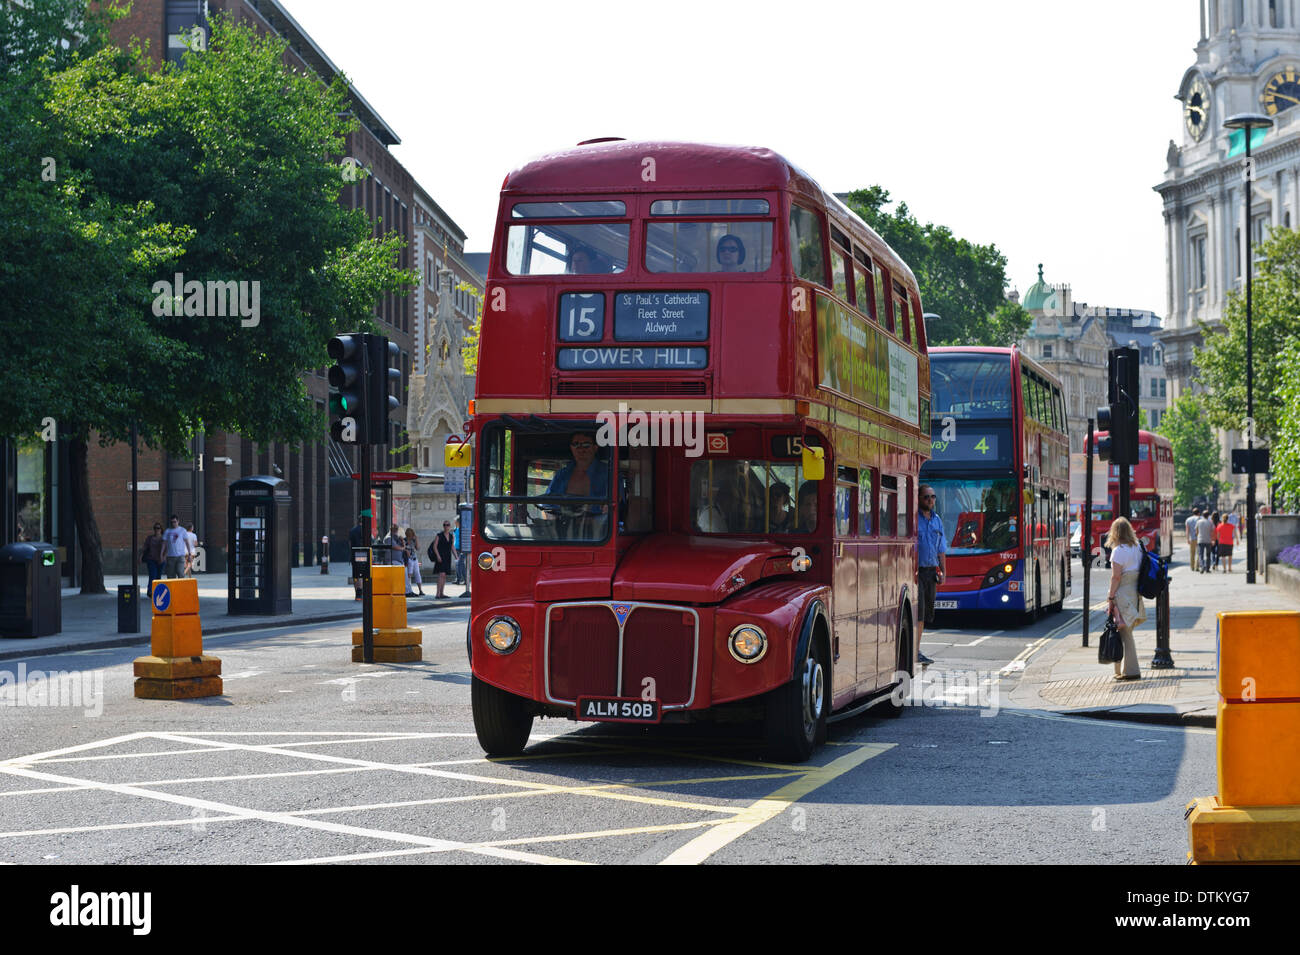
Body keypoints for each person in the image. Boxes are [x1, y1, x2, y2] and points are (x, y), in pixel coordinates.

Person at [1104, 516, 1145, 681]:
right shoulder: (1137, 548)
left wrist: (1111, 597)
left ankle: (1132, 671)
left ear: (1115, 532)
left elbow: (1116, 577)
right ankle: (1119, 670)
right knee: (1123, 632)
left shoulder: (1118, 551)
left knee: (1125, 633)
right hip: (1135, 593)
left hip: (1122, 594)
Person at [916, 484, 945, 668]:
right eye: (927, 497)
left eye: (933, 497)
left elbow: (941, 549)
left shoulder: (937, 521)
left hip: (930, 571)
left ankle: (916, 649)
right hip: (915, 571)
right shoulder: (913, 519)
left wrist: (943, 571)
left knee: (926, 614)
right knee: (918, 613)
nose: (930, 500)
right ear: (919, 498)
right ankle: (915, 651)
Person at [161, 514, 190, 579]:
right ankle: (172, 589)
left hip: (180, 556)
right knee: (171, 575)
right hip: (170, 556)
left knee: (180, 573)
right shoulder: (167, 531)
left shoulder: (182, 530)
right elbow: (164, 544)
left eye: (175, 522)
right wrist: (162, 554)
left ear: (178, 521)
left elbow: (187, 542)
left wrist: (189, 554)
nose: (173, 523)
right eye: (172, 522)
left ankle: (181, 588)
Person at [141, 523, 166, 593]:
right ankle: (150, 591)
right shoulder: (150, 538)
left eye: (158, 528)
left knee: (158, 576)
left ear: (161, 529)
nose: (156, 530)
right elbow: (144, 547)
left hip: (160, 560)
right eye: (155, 528)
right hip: (151, 559)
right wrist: (140, 556)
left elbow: (167, 549)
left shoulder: (164, 538)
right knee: (152, 575)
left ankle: (157, 591)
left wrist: (163, 558)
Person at [433, 521, 455, 598]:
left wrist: (456, 556)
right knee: (441, 574)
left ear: (450, 526)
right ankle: (437, 593)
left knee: (444, 575)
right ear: (443, 526)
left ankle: (442, 593)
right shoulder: (439, 535)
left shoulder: (451, 536)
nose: (446, 526)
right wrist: (438, 556)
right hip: (440, 557)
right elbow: (434, 546)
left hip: (447, 557)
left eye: (448, 525)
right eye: (445, 525)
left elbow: (452, 547)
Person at [403, 528, 425, 597]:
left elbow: (418, 548)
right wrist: (406, 551)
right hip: (408, 559)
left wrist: (416, 539)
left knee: (417, 573)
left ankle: (420, 590)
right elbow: (403, 549)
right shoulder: (404, 540)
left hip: (414, 558)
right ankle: (409, 590)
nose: (411, 536)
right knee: (409, 574)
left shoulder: (413, 540)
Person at [348, 516, 364, 600]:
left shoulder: (352, 530)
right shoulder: (365, 531)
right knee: (361, 573)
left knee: (355, 574)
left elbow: (350, 544)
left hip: (354, 553)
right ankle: (360, 592)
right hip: (362, 554)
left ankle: (356, 594)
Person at [1196, 509, 1216, 574]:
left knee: (1200, 554)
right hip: (1208, 540)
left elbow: (1196, 531)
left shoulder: (1199, 522)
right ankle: (1207, 568)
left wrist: (1198, 536)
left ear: (1202, 515)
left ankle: (1202, 567)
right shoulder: (1210, 522)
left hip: (1200, 540)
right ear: (1208, 516)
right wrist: (1213, 540)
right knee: (1208, 555)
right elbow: (1212, 532)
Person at [1185, 507, 1201, 573]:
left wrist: (1187, 538)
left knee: (1192, 553)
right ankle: (1197, 566)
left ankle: (1192, 567)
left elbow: (1187, 530)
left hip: (1192, 538)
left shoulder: (1188, 519)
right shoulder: (1200, 519)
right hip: (1199, 538)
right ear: (1199, 513)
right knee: (1198, 553)